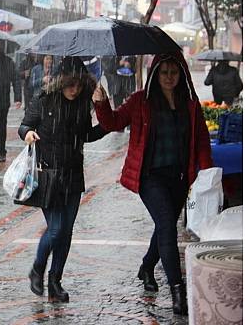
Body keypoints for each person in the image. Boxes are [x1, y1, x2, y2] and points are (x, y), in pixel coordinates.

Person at [92, 52, 213, 315]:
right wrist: (101, 104)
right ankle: (177, 290)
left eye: (174, 72)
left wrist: (205, 170)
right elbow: (112, 122)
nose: (169, 77)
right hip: (150, 177)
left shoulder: (190, 103)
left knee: (163, 226)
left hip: (179, 178)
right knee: (167, 225)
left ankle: (147, 266)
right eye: (164, 72)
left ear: (181, 74)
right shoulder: (140, 101)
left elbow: (202, 139)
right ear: (155, 73)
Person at [19, 64, 107, 303]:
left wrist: (106, 124)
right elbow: (25, 125)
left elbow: (86, 135)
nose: (74, 89)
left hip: (73, 175)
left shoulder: (81, 104)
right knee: (56, 229)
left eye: (79, 85)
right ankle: (37, 268)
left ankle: (55, 281)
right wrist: (28, 134)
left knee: (66, 233)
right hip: (48, 175)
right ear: (60, 81)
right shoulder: (44, 99)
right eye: (70, 84)